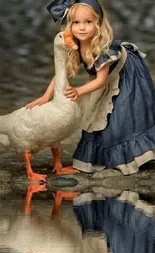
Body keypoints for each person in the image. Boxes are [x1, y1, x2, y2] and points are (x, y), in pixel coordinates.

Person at [27, 0, 155, 175]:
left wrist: (79, 91)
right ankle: (103, 155)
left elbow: (100, 81)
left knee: (123, 114)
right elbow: (61, 73)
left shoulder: (103, 50)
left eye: (88, 22)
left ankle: (134, 154)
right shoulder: (76, 46)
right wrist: (46, 96)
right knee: (96, 114)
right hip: (108, 77)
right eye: (76, 23)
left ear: (99, 24)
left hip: (127, 75)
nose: (82, 28)